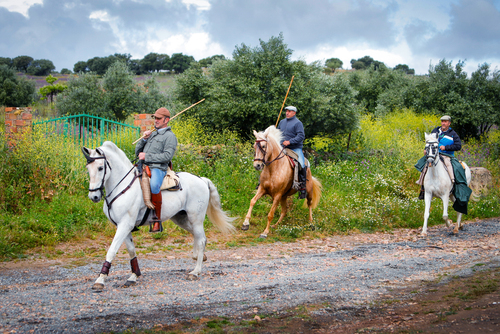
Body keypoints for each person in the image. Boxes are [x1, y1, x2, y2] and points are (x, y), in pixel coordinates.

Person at [135, 107, 177, 232]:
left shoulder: (170, 136)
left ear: (166, 120)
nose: (156, 121)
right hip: (142, 166)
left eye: (159, 118)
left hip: (158, 168)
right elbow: (138, 152)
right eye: (155, 118)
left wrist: (147, 156)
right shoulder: (152, 134)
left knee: (154, 186)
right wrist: (143, 139)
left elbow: (167, 156)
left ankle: (156, 220)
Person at [417, 115, 461, 199]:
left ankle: (453, 183)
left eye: (445, 121)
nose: (443, 123)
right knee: (425, 166)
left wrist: (446, 147)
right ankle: (423, 189)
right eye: (442, 121)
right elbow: (429, 142)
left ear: (449, 123)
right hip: (434, 154)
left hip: (447, 155)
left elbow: (458, 146)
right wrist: (425, 150)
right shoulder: (435, 131)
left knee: (449, 165)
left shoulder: (453, 134)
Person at [277, 106, 307, 199]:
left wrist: (290, 141)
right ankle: (262, 182)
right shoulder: (282, 122)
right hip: (282, 147)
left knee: (302, 164)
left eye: (289, 111)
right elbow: (277, 133)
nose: (287, 113)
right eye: (286, 111)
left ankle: (302, 188)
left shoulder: (298, 123)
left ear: (294, 113)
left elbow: (301, 136)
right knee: (269, 158)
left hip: (295, 148)